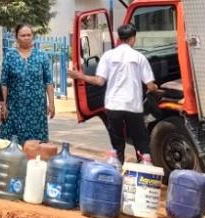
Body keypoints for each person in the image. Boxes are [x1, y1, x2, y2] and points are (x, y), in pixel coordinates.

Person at [67, 23, 157, 164]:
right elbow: (150, 86)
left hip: (113, 106)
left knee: (117, 143)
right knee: (140, 140)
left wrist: (80, 76)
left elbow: (99, 81)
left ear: (119, 38)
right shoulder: (139, 57)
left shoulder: (108, 56)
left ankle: (118, 166)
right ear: (133, 38)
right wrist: (156, 89)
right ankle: (143, 166)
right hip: (133, 106)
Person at [1, 24, 56, 143]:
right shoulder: (9, 56)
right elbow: (4, 83)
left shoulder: (42, 56)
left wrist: (51, 103)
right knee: (13, 144)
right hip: (15, 108)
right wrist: (3, 105)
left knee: (36, 144)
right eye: (23, 35)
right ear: (16, 37)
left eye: (29, 35)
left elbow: (48, 82)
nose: (26, 38)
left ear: (33, 36)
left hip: (37, 109)